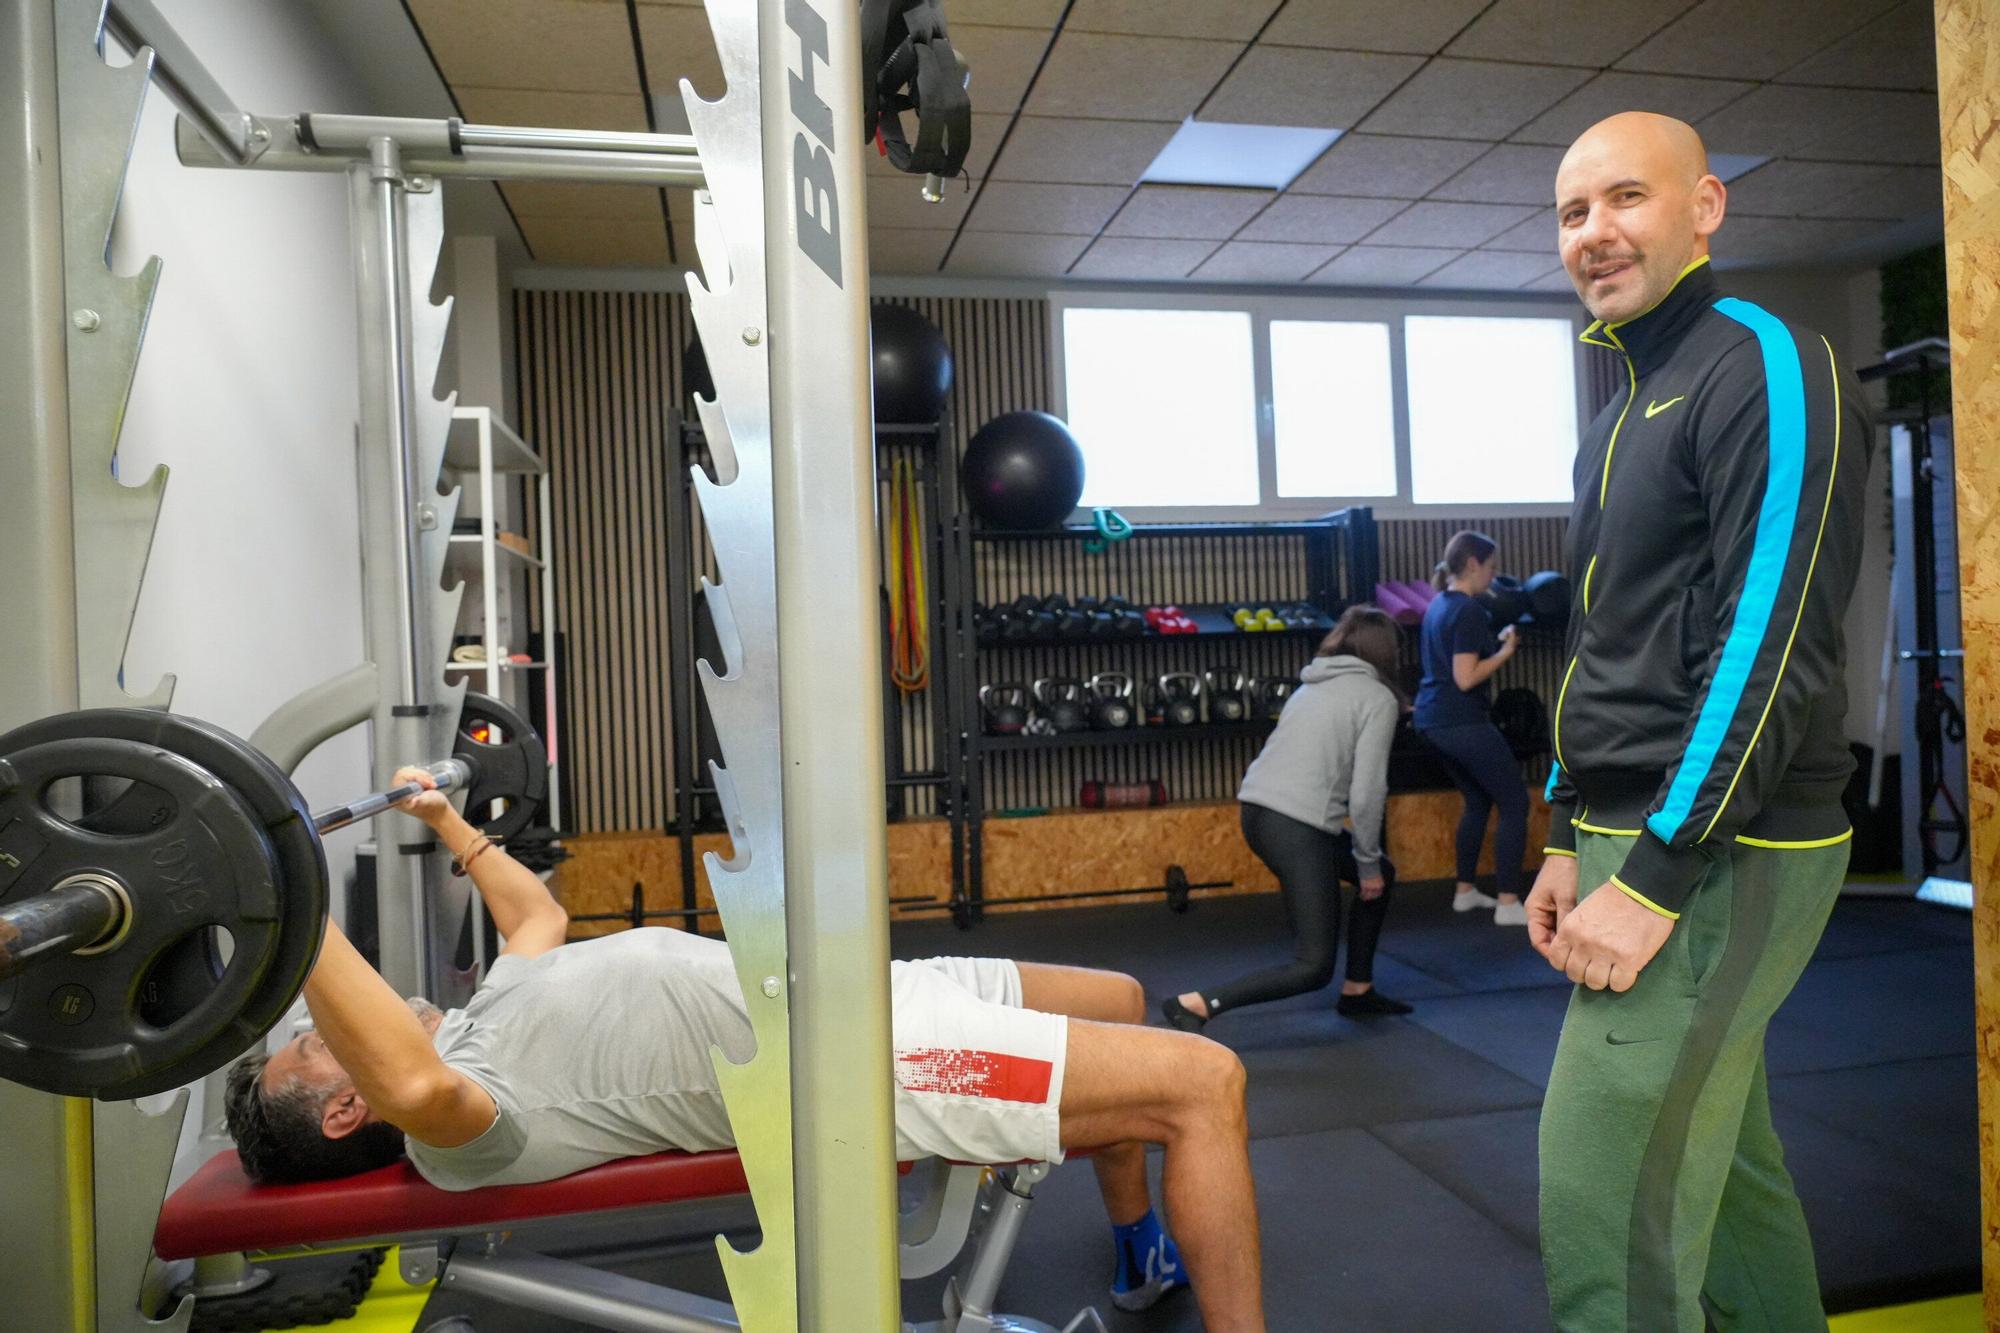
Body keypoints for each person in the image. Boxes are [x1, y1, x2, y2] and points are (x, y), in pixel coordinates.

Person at [224, 769, 1266, 1330]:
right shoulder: (454, 1128)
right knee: (1203, 1080)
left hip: (856, 998)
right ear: (351, 1106)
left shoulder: (480, 1014)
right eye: (313, 1047)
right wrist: (287, 893)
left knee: (1122, 996)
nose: (321, 1029)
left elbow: (534, 917)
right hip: (863, 1062)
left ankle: (1141, 1249)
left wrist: (449, 820)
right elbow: (411, 1081)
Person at [1528, 111, 1873, 1331]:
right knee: (1723, 1182)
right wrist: (1570, 828)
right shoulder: (1622, 407)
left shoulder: (1761, 364)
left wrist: (1662, 865)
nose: (1594, 233)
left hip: (1724, 840)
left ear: (1704, 207)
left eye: (1624, 198)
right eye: (1571, 213)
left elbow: (1769, 636)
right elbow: (1601, 639)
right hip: (1635, 824)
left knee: (1602, 1204)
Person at [1162, 606, 1409, 1031]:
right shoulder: (1377, 698)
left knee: (1380, 876)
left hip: (1258, 813)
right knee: (1312, 966)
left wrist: (1371, 866)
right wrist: (1364, 862)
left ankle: (1358, 990)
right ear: (1387, 653)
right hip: (1296, 827)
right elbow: (1367, 793)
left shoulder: (1311, 685)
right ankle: (1197, 1004)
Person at [1413, 530, 1529, 926]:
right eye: (1491, 568)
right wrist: (1505, 652)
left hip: (1432, 721)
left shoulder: (1438, 605)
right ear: (1473, 564)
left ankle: (1465, 891)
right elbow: (1466, 677)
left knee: (1479, 801)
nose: (1494, 577)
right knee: (1515, 802)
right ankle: (1509, 902)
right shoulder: (1468, 610)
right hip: (1459, 718)